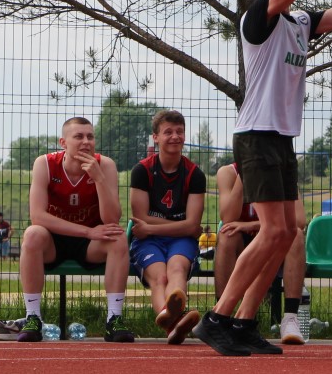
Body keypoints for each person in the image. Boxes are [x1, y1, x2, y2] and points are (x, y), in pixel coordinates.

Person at [193, 0, 332, 356]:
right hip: (256, 134)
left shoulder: (300, 21)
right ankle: (218, 318)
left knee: (286, 233)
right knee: (272, 231)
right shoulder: (257, 18)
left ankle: (245, 322)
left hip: (282, 137)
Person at [17, 116, 133, 343]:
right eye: (78, 136)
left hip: (90, 244)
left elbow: (111, 218)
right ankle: (33, 318)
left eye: (90, 136)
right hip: (54, 240)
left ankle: (114, 319)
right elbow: (37, 216)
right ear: (63, 142)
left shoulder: (105, 165)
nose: (86, 142)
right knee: (32, 234)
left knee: (117, 237)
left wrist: (98, 179)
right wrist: (87, 231)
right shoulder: (44, 164)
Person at [129, 109, 205, 345]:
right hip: (148, 241)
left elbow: (192, 226)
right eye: (168, 132)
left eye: (179, 132)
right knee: (159, 277)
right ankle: (174, 322)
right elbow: (140, 217)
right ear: (156, 137)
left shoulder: (194, 174)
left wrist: (152, 227)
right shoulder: (142, 170)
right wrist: (183, 226)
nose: (175, 136)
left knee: (176, 269)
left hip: (174, 239)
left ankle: (170, 321)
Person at [214, 160, 308, 344]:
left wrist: (254, 225)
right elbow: (228, 218)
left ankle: (290, 318)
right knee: (226, 235)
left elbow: (299, 220)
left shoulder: (282, 171)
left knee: (296, 235)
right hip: (244, 242)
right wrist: (244, 177)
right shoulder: (227, 173)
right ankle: (221, 317)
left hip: (272, 239)